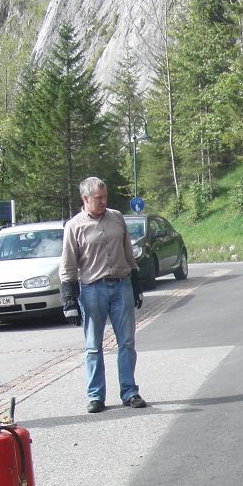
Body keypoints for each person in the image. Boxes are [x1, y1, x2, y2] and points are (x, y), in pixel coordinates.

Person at [60, 177, 147, 414]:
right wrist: (69, 299)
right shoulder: (74, 226)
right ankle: (96, 396)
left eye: (105, 196)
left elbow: (128, 252)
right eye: (98, 198)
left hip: (121, 285)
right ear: (85, 198)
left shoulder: (116, 217)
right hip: (93, 289)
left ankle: (129, 392)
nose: (103, 201)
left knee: (126, 342)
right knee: (93, 345)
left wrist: (136, 283)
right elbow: (68, 264)